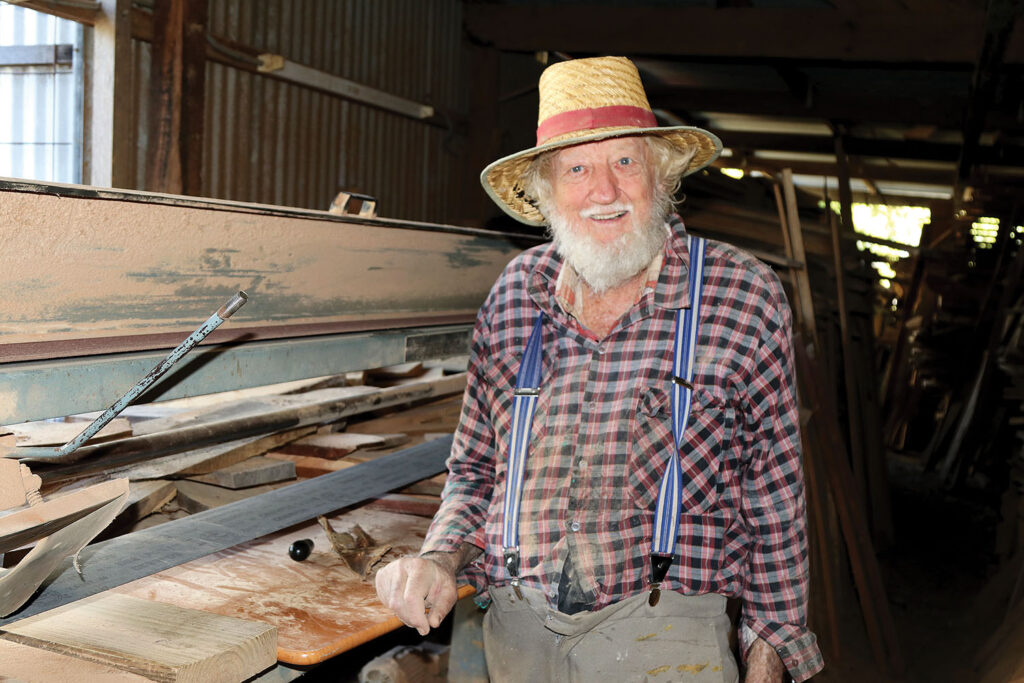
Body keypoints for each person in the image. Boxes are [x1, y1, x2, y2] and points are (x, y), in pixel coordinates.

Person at [376, 56, 823, 682]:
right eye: (577, 167)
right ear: (546, 191)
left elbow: (773, 497)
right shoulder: (514, 295)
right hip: (517, 633)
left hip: (667, 639)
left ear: (659, 174)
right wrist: (441, 558)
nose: (604, 190)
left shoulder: (740, 293)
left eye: (624, 162)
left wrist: (769, 651)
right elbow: (476, 468)